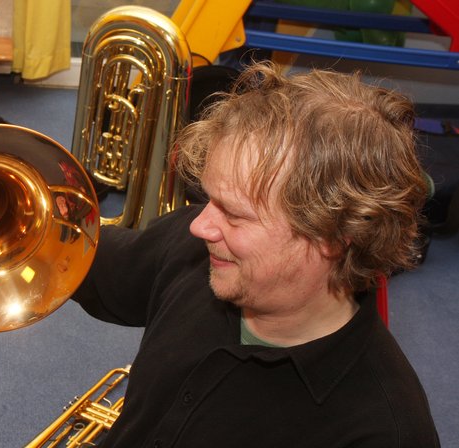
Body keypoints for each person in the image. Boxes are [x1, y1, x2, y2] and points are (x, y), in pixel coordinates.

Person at [71, 61, 440, 447]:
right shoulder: (198, 247)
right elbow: (98, 264)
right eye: (209, 199)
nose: (200, 225)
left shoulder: (384, 431)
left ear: (333, 236)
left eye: (234, 213)